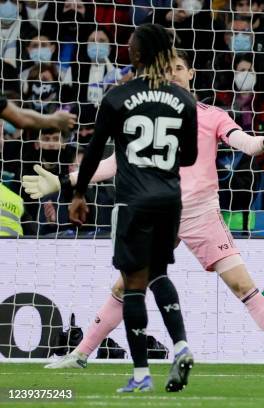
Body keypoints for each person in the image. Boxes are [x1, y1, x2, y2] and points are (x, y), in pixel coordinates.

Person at [24, 50, 264, 372]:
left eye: (179, 68)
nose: (173, 74)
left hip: (201, 214)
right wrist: (64, 182)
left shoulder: (211, 115)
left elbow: (244, 143)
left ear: (191, 73)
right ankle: (81, 354)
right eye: (166, 69)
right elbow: (115, 163)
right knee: (126, 286)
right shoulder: (149, 118)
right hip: (159, 211)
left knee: (241, 284)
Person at [68, 23, 199, 393]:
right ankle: (182, 345)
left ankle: (141, 374)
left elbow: (94, 152)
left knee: (133, 285)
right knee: (158, 272)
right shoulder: (184, 100)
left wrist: (79, 194)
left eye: (130, 45)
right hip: (170, 200)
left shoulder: (117, 97)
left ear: (139, 55)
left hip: (133, 201)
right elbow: (188, 157)